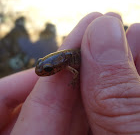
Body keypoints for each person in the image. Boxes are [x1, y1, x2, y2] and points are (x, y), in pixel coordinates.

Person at [0, 12, 140, 135]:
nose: (42, 72)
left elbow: (76, 73)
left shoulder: (68, 65)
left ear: (60, 65)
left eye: (48, 69)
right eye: (42, 65)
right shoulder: (65, 63)